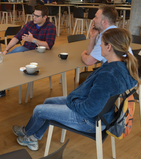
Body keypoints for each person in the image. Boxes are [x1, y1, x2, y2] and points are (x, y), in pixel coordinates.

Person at [12, 28, 140, 151]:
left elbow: (90, 110)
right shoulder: (121, 66)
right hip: (102, 114)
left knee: (39, 110)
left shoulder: (108, 75)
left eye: (101, 43)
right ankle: (32, 136)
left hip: (89, 121)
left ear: (109, 47)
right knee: (47, 101)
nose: (99, 46)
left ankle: (28, 136)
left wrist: (72, 102)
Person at [0, 5, 56, 100]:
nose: (34, 17)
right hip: (25, 51)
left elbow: (49, 45)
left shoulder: (50, 27)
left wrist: (33, 40)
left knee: (13, 57)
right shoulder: (30, 24)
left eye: (37, 16)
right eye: (34, 15)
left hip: (40, 56)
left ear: (45, 17)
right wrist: (6, 50)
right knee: (9, 61)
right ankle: (1, 86)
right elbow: (17, 37)